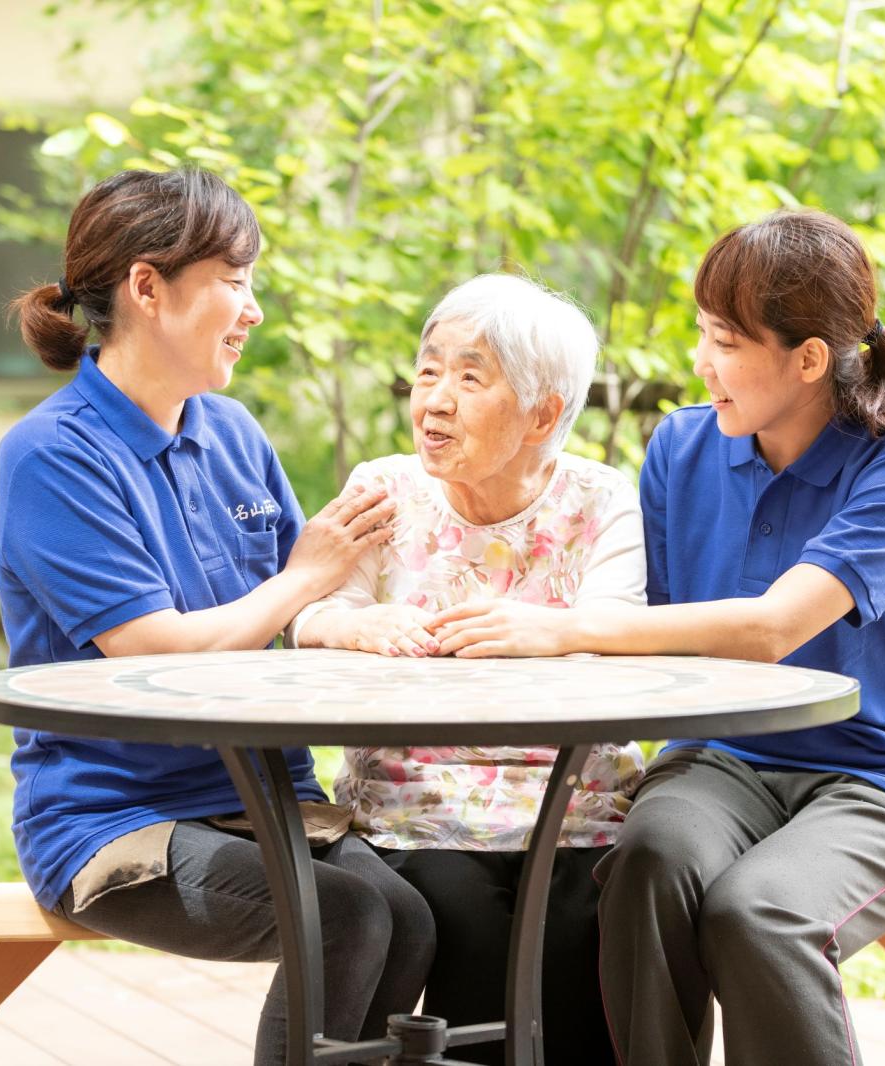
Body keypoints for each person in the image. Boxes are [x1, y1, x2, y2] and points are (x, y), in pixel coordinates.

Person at [430, 209, 885, 1066]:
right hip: (723, 761)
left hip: (879, 777)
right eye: (702, 334)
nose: (701, 364)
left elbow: (772, 627)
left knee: (759, 912)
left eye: (725, 342)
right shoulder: (682, 447)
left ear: (806, 359)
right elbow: (648, 627)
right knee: (643, 861)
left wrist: (566, 629)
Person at [0, 168, 433, 1066]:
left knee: (413, 919)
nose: (254, 309)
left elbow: (296, 617)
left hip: (267, 801)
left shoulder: (232, 434)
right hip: (114, 820)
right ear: (146, 288)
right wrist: (309, 573)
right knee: (343, 917)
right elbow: (155, 653)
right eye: (234, 280)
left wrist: (370, 622)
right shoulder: (52, 454)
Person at [289, 273, 646, 1065]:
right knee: (466, 916)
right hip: (420, 799)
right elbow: (306, 619)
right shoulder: (382, 491)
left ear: (543, 414)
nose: (436, 400)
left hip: (574, 799)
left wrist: (545, 633)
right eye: (428, 371)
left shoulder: (598, 500)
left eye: (470, 376)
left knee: (587, 921)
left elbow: (613, 638)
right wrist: (360, 623)